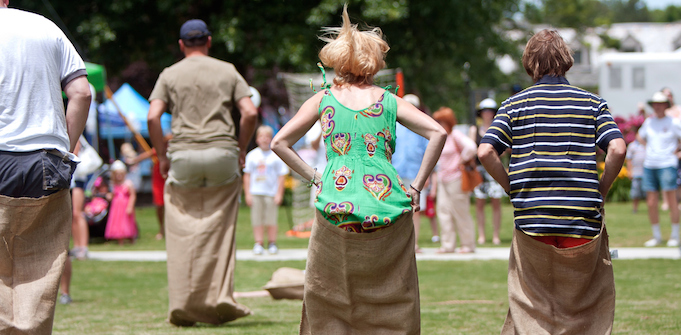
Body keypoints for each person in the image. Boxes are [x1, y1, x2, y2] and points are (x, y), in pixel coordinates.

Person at [270, 6, 446, 334]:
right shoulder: (390, 100)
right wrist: (417, 186)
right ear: (374, 63)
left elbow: (279, 142)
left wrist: (315, 177)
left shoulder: (323, 99)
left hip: (336, 205)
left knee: (330, 293)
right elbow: (439, 132)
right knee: (392, 293)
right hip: (387, 206)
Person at [478, 29, 626, 334]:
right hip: (581, 221)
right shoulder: (592, 103)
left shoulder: (513, 105)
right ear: (567, 61)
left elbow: (485, 151)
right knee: (581, 304)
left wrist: (511, 188)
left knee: (535, 305)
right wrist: (602, 190)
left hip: (533, 220)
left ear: (530, 63)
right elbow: (618, 147)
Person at [147, 18, 257, 326]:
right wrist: (241, 147)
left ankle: (183, 304)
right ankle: (218, 301)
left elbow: (153, 117)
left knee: (182, 232)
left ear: (181, 45)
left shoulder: (169, 74)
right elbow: (249, 112)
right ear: (209, 41)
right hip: (222, 152)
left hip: (183, 154)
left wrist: (162, 156)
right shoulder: (227, 70)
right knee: (220, 231)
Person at [0, 1, 91, 333]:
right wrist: (64, 147)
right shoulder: (45, 27)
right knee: (38, 266)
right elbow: (81, 92)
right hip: (44, 161)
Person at [393, 93, 439, 252]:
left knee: (415, 209)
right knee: (397, 210)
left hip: (416, 174)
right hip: (395, 173)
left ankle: (415, 243)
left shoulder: (421, 126)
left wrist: (426, 175)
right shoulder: (394, 125)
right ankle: (398, 243)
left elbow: (429, 151)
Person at [431, 107, 478, 254]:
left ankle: (468, 244)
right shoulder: (440, 136)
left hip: (456, 178)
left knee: (460, 211)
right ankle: (448, 245)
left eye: (441, 121)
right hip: (442, 178)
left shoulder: (455, 134)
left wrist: (461, 160)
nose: (439, 123)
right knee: (443, 211)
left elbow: (471, 147)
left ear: (448, 122)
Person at [637, 91, 681, 247]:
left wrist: (677, 152)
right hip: (650, 164)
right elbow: (639, 136)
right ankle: (656, 236)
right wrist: (649, 148)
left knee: (671, 200)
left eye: (660, 103)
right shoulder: (649, 122)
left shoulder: (673, 122)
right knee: (651, 202)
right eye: (655, 104)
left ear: (665, 106)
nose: (657, 106)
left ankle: (675, 234)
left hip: (667, 163)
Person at [243, 125, 289, 255]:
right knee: (257, 219)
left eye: (267, 137)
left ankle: (272, 242)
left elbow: (281, 176)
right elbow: (247, 175)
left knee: (271, 219)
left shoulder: (276, 156)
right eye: (261, 137)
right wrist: (247, 193)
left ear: (271, 139)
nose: (264, 139)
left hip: (271, 193)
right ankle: (258, 243)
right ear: (257, 139)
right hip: (256, 192)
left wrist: (279, 194)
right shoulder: (252, 155)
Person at [469, 98, 506, 245]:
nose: (487, 113)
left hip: (495, 167)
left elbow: (505, 149)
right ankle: (482, 235)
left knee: (496, 202)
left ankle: (496, 235)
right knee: (479, 203)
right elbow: (471, 149)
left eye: (490, 111)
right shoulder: (474, 130)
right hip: (479, 169)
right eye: (485, 111)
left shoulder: (499, 128)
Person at [104, 160, 138, 245]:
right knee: (118, 222)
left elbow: (132, 195)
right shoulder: (114, 184)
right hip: (116, 207)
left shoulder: (128, 184)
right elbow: (113, 194)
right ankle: (120, 240)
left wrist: (130, 206)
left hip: (125, 205)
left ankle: (131, 238)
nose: (119, 176)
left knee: (127, 222)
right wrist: (109, 196)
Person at [626, 134, 646, 213]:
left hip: (646, 173)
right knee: (635, 194)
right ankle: (635, 209)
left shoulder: (647, 144)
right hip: (636, 173)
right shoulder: (632, 146)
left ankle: (651, 210)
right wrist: (629, 171)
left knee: (650, 193)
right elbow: (629, 160)